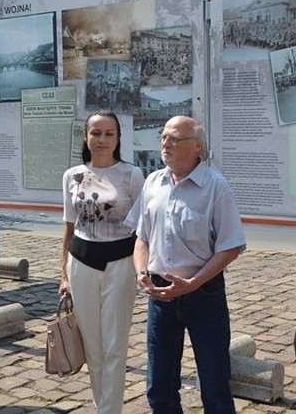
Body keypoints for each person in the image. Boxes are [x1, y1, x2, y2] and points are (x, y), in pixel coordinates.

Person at [124, 115, 246, 413]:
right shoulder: (154, 181)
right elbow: (142, 237)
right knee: (159, 386)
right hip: (160, 295)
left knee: (215, 385)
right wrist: (141, 272)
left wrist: (193, 283)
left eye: (175, 138)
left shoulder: (216, 186)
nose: (166, 143)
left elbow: (230, 247)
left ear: (197, 148)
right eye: (164, 136)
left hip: (203, 294)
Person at [59, 111, 144, 414]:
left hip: (120, 264)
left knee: (114, 348)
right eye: (96, 133)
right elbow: (69, 229)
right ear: (86, 137)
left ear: (118, 139)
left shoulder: (132, 175)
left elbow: (142, 229)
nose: (102, 139)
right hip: (81, 264)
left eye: (109, 134)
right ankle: (103, 408)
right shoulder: (72, 175)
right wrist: (64, 275)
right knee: (93, 348)